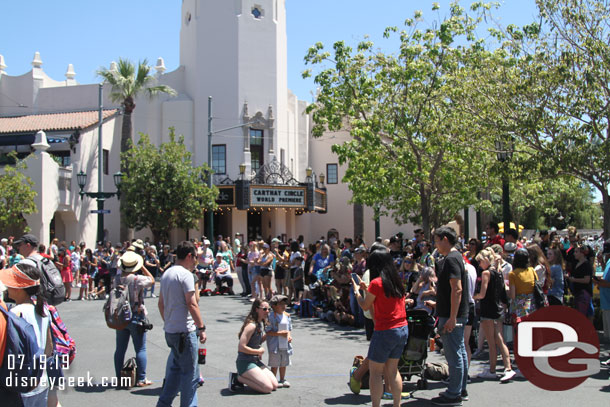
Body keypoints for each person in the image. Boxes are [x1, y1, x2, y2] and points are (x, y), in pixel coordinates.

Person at [353, 249, 408, 407]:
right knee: (393, 370)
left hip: (385, 329)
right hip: (402, 328)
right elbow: (382, 299)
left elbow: (365, 305)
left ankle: (376, 405)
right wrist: (365, 289)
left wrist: (357, 292)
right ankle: (396, 404)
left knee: (376, 372)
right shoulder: (396, 280)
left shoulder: (376, 283)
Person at [157, 241, 207, 407]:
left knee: (175, 372)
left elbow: (161, 304)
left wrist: (169, 321)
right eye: (195, 258)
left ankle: (163, 404)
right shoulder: (185, 275)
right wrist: (201, 327)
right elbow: (192, 304)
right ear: (188, 256)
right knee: (190, 376)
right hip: (185, 331)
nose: (195, 261)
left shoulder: (167, 274)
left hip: (171, 330)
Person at [0, 263, 53, 406]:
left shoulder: (15, 314)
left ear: (20, 288)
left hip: (23, 383)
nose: (7, 287)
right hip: (41, 380)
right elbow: (49, 349)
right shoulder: (43, 309)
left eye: (10, 284)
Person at [431, 226, 469, 406]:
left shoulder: (452, 259)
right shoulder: (455, 257)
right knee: (459, 352)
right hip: (454, 313)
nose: (435, 244)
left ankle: (454, 393)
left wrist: (452, 317)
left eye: (437, 240)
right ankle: (460, 389)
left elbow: (457, 289)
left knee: (454, 355)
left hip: (452, 315)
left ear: (445, 239)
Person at [113, 250, 155, 387]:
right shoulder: (137, 279)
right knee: (140, 349)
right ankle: (141, 379)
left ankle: (120, 377)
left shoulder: (117, 279)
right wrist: (143, 267)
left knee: (120, 349)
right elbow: (152, 280)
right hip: (136, 315)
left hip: (120, 316)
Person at [473, 248, 515, 382]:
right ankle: (507, 367)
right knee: (499, 339)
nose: (479, 264)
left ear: (486, 260)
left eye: (480, 261)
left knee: (491, 342)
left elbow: (482, 294)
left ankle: (493, 369)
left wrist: (473, 296)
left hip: (488, 309)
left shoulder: (486, 273)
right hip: (497, 308)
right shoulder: (499, 272)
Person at [229, 299, 278, 393]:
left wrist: (269, 334)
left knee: (274, 385)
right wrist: (258, 351)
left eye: (268, 309)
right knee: (267, 388)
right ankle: (238, 378)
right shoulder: (251, 326)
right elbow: (241, 347)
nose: (267, 311)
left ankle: (248, 377)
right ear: (256, 309)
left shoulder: (260, 324)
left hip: (255, 361)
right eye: (264, 309)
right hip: (245, 362)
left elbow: (256, 341)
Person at [266, 294, 293, 388]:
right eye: (280, 304)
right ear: (274, 306)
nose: (283, 306)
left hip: (284, 343)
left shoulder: (287, 316)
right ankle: (273, 380)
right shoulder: (270, 317)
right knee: (275, 363)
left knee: (283, 363)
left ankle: (282, 379)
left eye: (284, 304)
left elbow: (289, 328)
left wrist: (289, 336)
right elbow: (268, 331)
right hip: (275, 344)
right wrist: (279, 333)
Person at [568, 245, 593, 318]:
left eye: (576, 252)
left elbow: (587, 280)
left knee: (581, 315)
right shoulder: (577, 263)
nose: (574, 253)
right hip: (577, 292)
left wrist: (574, 280)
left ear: (582, 253)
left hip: (583, 292)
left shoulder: (586, 264)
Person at [594, 239, 610, 345]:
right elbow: (606, 275)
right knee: (608, 334)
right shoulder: (609, 261)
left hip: (609, 303)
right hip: (606, 302)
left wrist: (598, 282)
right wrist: (602, 263)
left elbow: (608, 283)